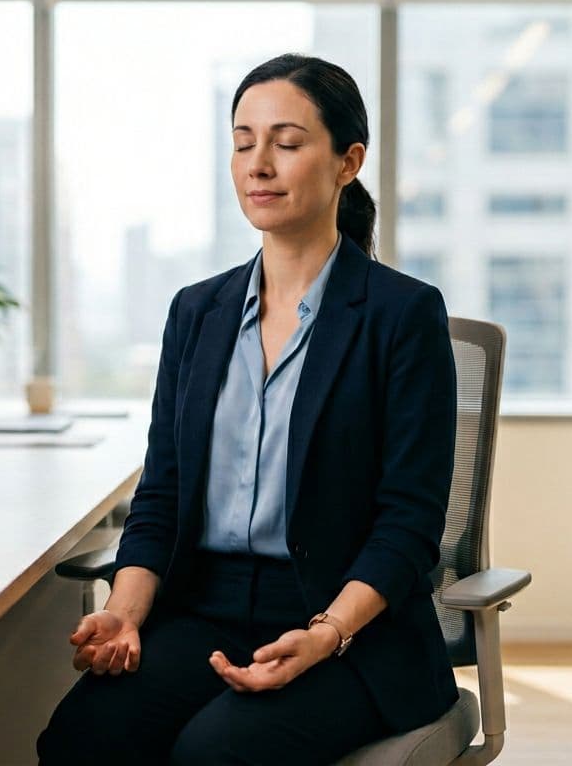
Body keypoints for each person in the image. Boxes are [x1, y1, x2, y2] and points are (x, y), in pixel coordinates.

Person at [37, 52, 459, 765]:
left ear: (347, 161)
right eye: (242, 142)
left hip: (349, 627)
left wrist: (325, 633)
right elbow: (163, 497)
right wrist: (125, 615)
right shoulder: (196, 313)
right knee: (83, 740)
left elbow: (409, 525)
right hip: (204, 609)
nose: (258, 163)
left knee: (216, 755)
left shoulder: (402, 314)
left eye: (287, 143)